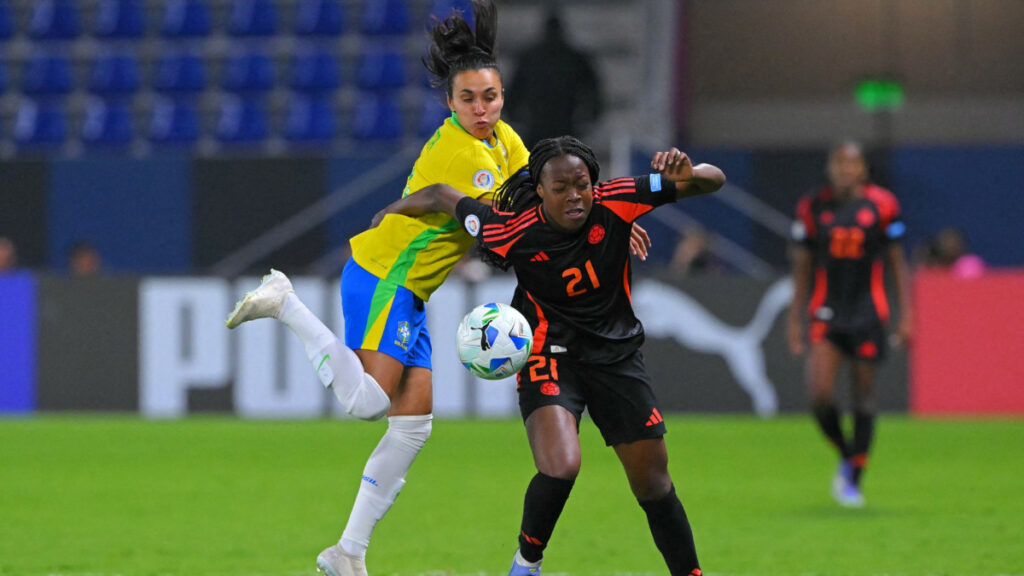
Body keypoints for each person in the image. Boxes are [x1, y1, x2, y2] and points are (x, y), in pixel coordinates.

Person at [226, 2, 645, 574]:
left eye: (489, 97)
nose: (481, 108)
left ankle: (348, 552)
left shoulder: (504, 141)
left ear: (503, 97)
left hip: (413, 292)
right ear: (450, 102)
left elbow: (546, 191)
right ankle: (286, 304)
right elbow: (513, 221)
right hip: (385, 275)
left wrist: (608, 219)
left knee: (412, 427)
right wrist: (595, 230)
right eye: (468, 99)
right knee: (368, 403)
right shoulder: (466, 154)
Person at [371, 136, 725, 576]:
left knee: (653, 484)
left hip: (617, 358)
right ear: (539, 190)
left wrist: (690, 174)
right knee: (561, 466)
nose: (574, 195)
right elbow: (442, 195)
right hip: (549, 355)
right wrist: (390, 212)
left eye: (582, 184)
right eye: (560, 187)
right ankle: (526, 563)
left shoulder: (619, 200)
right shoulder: (509, 229)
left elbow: (714, 180)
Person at [786, 141, 912, 508]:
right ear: (830, 168)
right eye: (839, 163)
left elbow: (896, 262)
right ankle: (846, 453)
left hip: (868, 312)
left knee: (864, 399)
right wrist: (794, 318)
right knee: (819, 396)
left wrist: (907, 315)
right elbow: (803, 266)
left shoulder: (883, 205)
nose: (845, 169)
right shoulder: (813, 207)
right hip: (827, 311)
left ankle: (854, 479)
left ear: (862, 169)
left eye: (851, 163)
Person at [506, 9, 603, 147]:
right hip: (566, 125)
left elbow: (513, 93)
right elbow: (593, 91)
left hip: (537, 126)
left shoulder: (529, 58)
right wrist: (591, 116)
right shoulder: (575, 58)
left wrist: (515, 116)